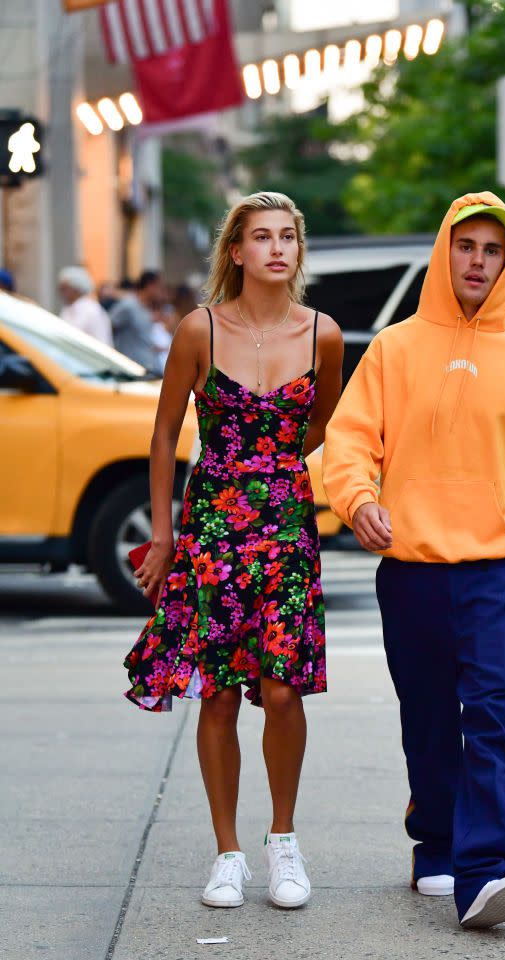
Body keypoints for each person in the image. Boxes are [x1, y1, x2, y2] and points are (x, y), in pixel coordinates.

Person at [323, 191, 505, 929]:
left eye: (493, 250)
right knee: (430, 720)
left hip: (496, 572)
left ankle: (494, 868)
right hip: (410, 571)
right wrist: (358, 500)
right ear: (445, 252)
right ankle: (436, 840)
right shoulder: (395, 348)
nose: (478, 261)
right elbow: (349, 442)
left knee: (492, 714)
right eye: (466, 246)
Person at [123, 192, 343, 913]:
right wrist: (164, 533)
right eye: (262, 237)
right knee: (216, 695)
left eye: (288, 236)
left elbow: (319, 426)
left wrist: (270, 467)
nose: (277, 248)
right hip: (213, 528)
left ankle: (284, 840)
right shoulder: (198, 331)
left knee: (281, 688)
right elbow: (162, 438)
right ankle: (228, 852)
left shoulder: (324, 336)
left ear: (297, 252)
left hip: (284, 527)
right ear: (237, 252)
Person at [109, 269, 166, 373]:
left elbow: (141, 337)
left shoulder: (147, 307)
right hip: (132, 370)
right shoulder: (128, 306)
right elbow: (109, 327)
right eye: (159, 287)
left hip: (149, 368)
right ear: (150, 286)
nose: (161, 292)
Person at [57, 266, 113, 344]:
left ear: (77, 288)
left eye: (65, 288)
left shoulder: (92, 311)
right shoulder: (67, 309)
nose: (61, 292)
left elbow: (102, 343)